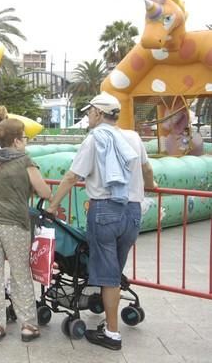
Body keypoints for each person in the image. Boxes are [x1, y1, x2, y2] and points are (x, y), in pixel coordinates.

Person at [46, 92, 156, 351]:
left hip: (105, 210)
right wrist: (150, 187)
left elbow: (73, 176)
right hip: (132, 211)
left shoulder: (95, 139)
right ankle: (108, 317)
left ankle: (112, 333)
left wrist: (53, 205)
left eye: (88, 112)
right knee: (115, 271)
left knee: (108, 277)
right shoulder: (133, 137)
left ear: (97, 113)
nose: (87, 117)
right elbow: (147, 170)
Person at [0, 118, 52, 343]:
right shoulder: (24, 161)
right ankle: (28, 324)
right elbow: (45, 192)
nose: (26, 142)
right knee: (19, 273)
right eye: (25, 138)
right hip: (13, 224)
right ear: (17, 140)